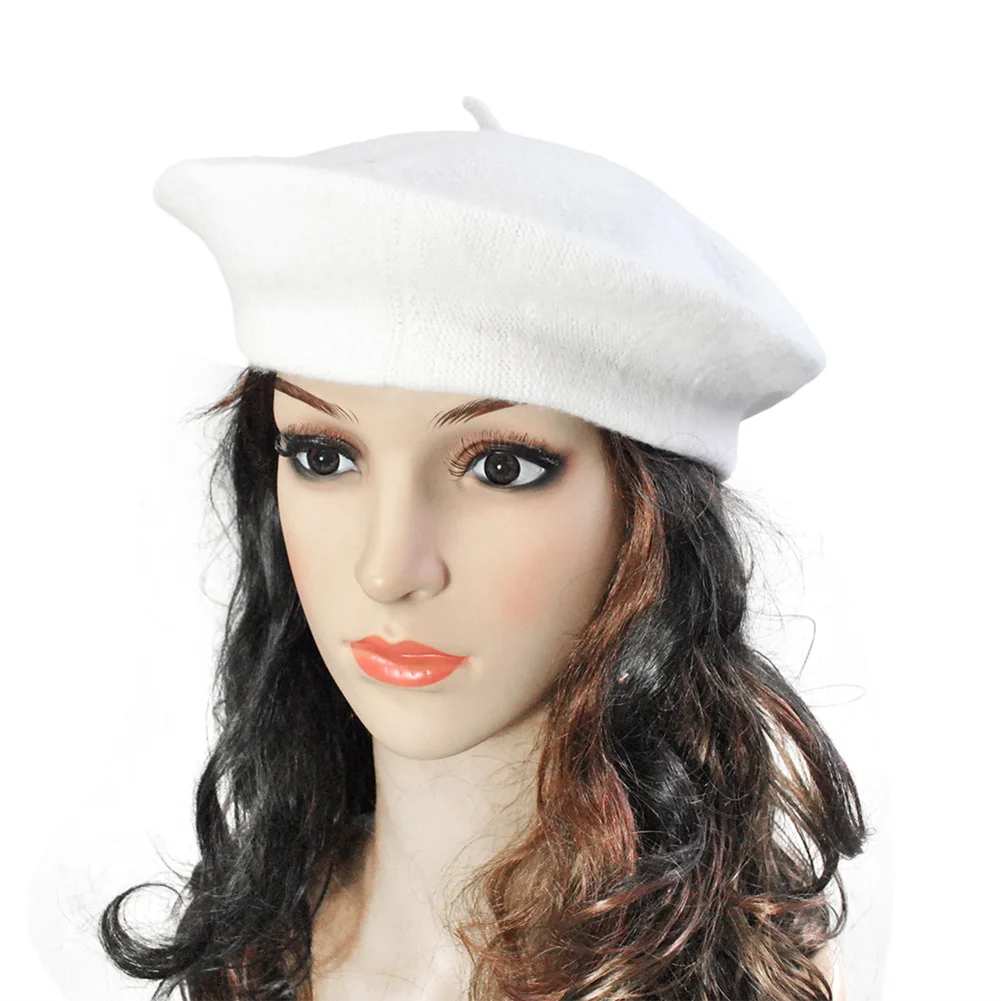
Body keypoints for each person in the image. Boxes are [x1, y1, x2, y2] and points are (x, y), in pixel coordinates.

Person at [99, 96, 867, 1000]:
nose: (388, 568)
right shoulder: (255, 943)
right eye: (323, 456)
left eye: (500, 467)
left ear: (645, 514)